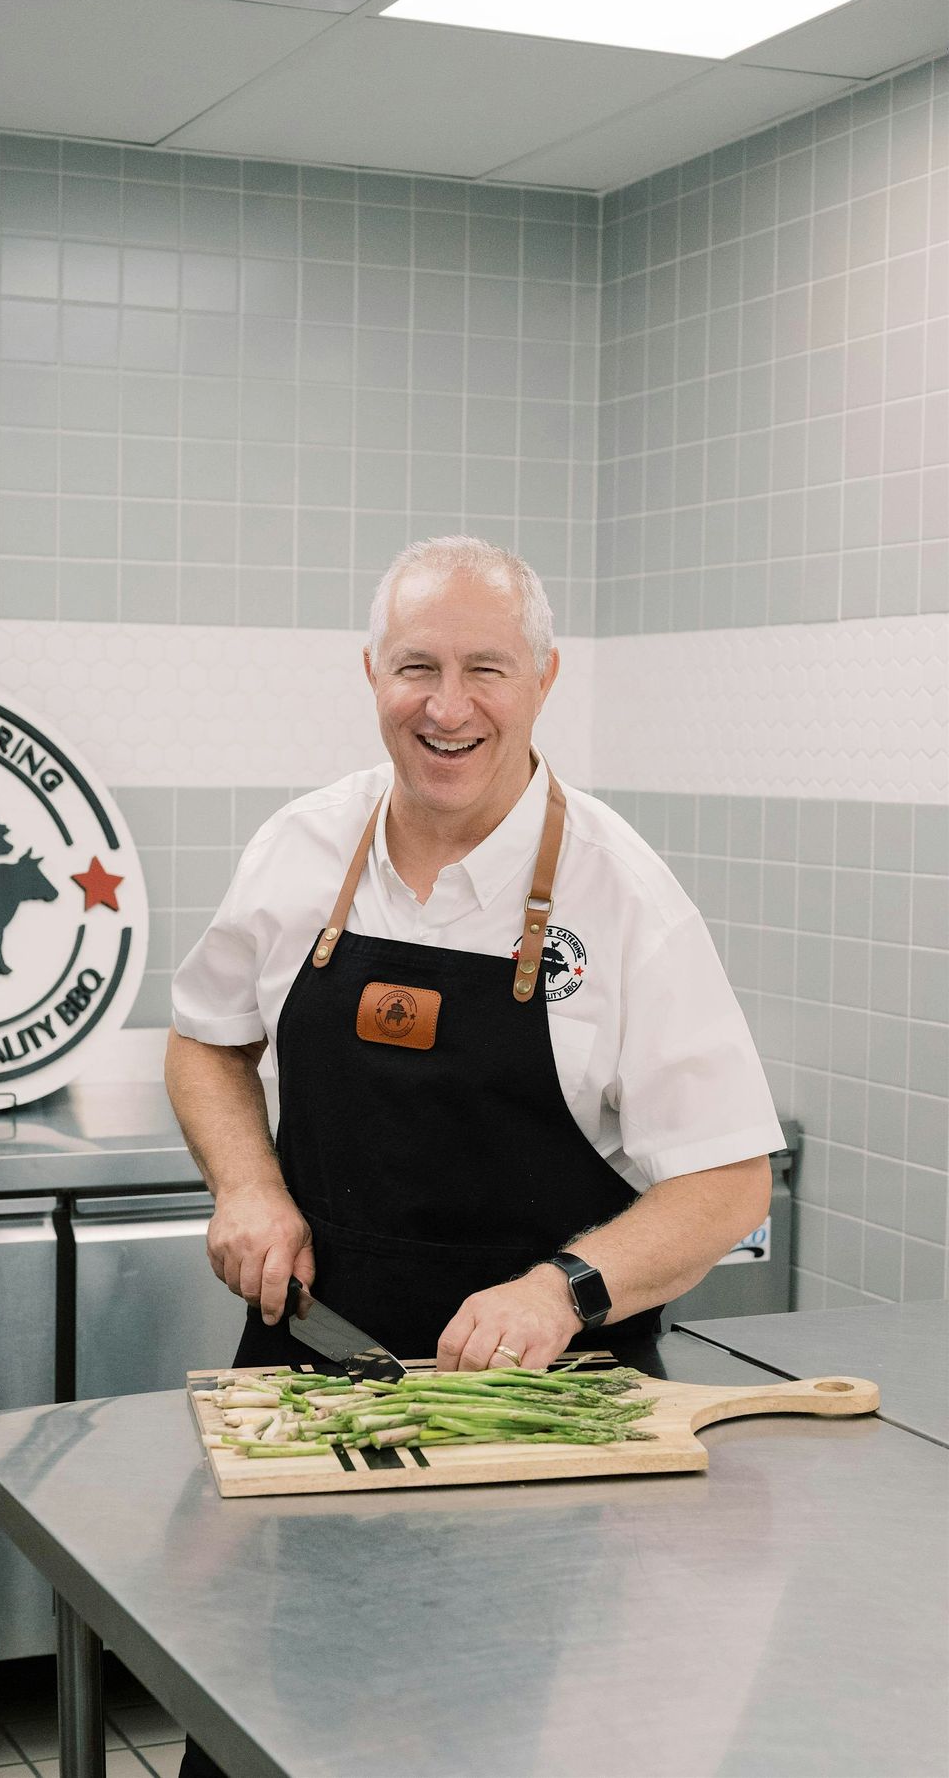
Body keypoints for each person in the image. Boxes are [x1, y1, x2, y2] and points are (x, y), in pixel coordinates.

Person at [166, 533, 783, 1775]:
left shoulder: (624, 895)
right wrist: (248, 1182)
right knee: (271, 1727)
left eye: (485, 669)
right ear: (371, 673)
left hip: (543, 1426)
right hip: (313, 1394)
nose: (447, 706)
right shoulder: (301, 846)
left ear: (544, 678)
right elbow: (204, 1041)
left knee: (500, 1736)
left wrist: (562, 1289)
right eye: (417, 667)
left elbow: (729, 1181)